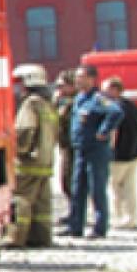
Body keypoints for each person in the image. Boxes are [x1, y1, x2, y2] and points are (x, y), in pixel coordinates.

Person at [64, 64, 123, 238]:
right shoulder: (79, 98)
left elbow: (116, 112)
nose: (77, 80)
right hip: (80, 149)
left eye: (81, 76)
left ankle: (100, 227)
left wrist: (104, 131)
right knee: (77, 189)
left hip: (96, 151)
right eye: (76, 77)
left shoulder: (98, 99)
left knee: (97, 189)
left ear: (91, 79)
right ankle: (76, 226)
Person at [6, 65, 58, 247]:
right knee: (41, 204)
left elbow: (25, 129)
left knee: (21, 199)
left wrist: (18, 150)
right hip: (45, 162)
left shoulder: (30, 103)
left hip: (28, 163)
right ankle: (41, 237)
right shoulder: (47, 104)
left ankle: (16, 238)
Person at [103, 76, 137, 229]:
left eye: (105, 89)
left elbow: (113, 131)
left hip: (118, 155)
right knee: (130, 188)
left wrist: (109, 150)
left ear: (114, 90)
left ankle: (117, 218)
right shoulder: (131, 105)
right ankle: (131, 218)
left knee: (115, 187)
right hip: (134, 154)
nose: (103, 93)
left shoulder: (113, 107)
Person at [53, 71, 76, 224]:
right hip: (64, 146)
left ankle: (76, 214)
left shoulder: (75, 102)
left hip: (73, 147)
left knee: (70, 181)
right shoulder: (61, 101)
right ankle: (73, 212)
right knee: (65, 181)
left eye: (62, 85)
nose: (59, 89)